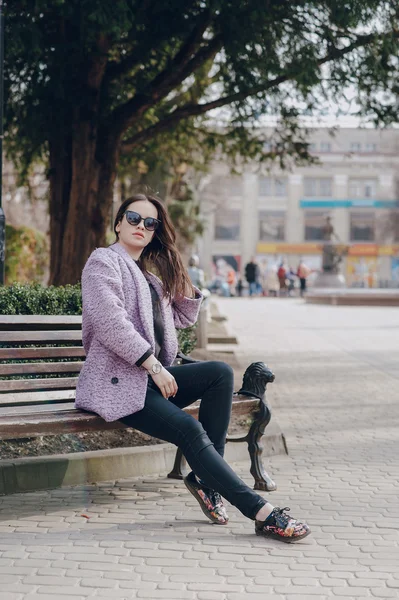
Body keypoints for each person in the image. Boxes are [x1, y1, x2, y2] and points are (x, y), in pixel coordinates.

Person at [75, 193, 310, 543]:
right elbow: (111, 323)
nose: (141, 226)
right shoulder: (103, 262)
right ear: (118, 223)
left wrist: (171, 261)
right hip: (116, 384)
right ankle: (261, 512)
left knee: (219, 373)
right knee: (188, 428)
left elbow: (184, 315)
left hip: (146, 380)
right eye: (134, 218)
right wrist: (153, 365)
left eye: (150, 223)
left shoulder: (150, 278)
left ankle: (205, 480)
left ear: (156, 232)